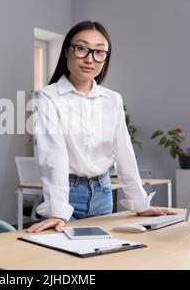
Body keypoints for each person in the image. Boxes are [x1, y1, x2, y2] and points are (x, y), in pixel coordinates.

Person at [27, 21, 174, 234]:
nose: (89, 58)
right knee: (61, 262)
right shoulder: (49, 97)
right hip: (67, 195)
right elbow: (54, 157)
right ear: (67, 51)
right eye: (81, 48)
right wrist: (57, 211)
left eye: (99, 52)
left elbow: (124, 153)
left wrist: (139, 203)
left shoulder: (112, 99)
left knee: (104, 258)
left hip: (103, 193)